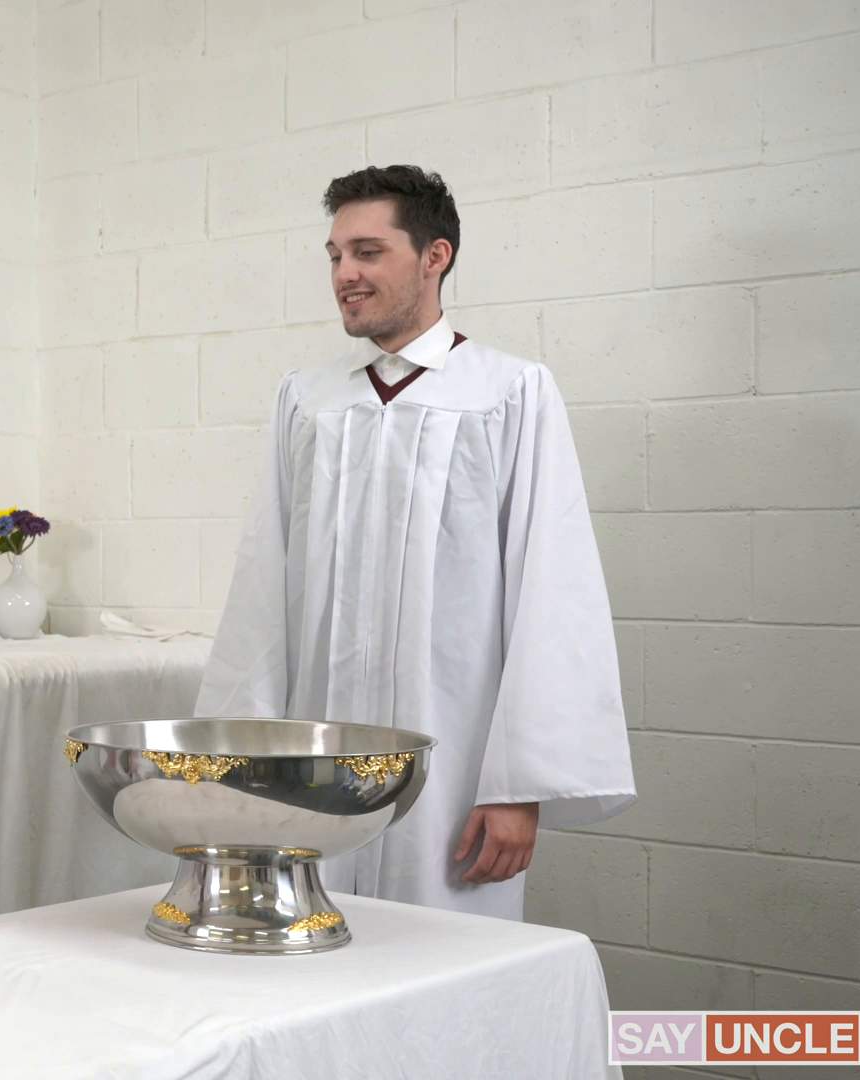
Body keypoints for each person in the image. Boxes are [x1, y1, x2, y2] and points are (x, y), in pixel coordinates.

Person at [195, 165, 636, 920]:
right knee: (311, 947)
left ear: (436, 256)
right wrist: (243, 758)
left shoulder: (507, 393)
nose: (345, 274)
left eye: (368, 252)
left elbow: (554, 591)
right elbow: (263, 585)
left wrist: (517, 786)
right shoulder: (308, 401)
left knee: (441, 954)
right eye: (336, 255)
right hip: (313, 765)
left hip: (454, 769)